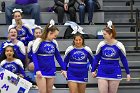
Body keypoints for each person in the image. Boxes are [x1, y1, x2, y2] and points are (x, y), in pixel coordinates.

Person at [92, 21, 131, 93]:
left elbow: (123, 59)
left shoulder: (119, 45)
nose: (103, 36)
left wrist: (128, 73)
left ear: (111, 34)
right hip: (102, 70)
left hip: (114, 71)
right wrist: (93, 70)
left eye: (105, 34)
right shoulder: (101, 44)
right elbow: (96, 58)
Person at [32, 19, 66, 93]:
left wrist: (64, 68)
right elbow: (34, 56)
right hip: (40, 70)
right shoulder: (38, 41)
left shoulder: (54, 43)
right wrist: (37, 69)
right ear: (50, 33)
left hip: (51, 69)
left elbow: (58, 56)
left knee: (49, 91)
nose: (55, 37)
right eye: (55, 35)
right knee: (43, 91)